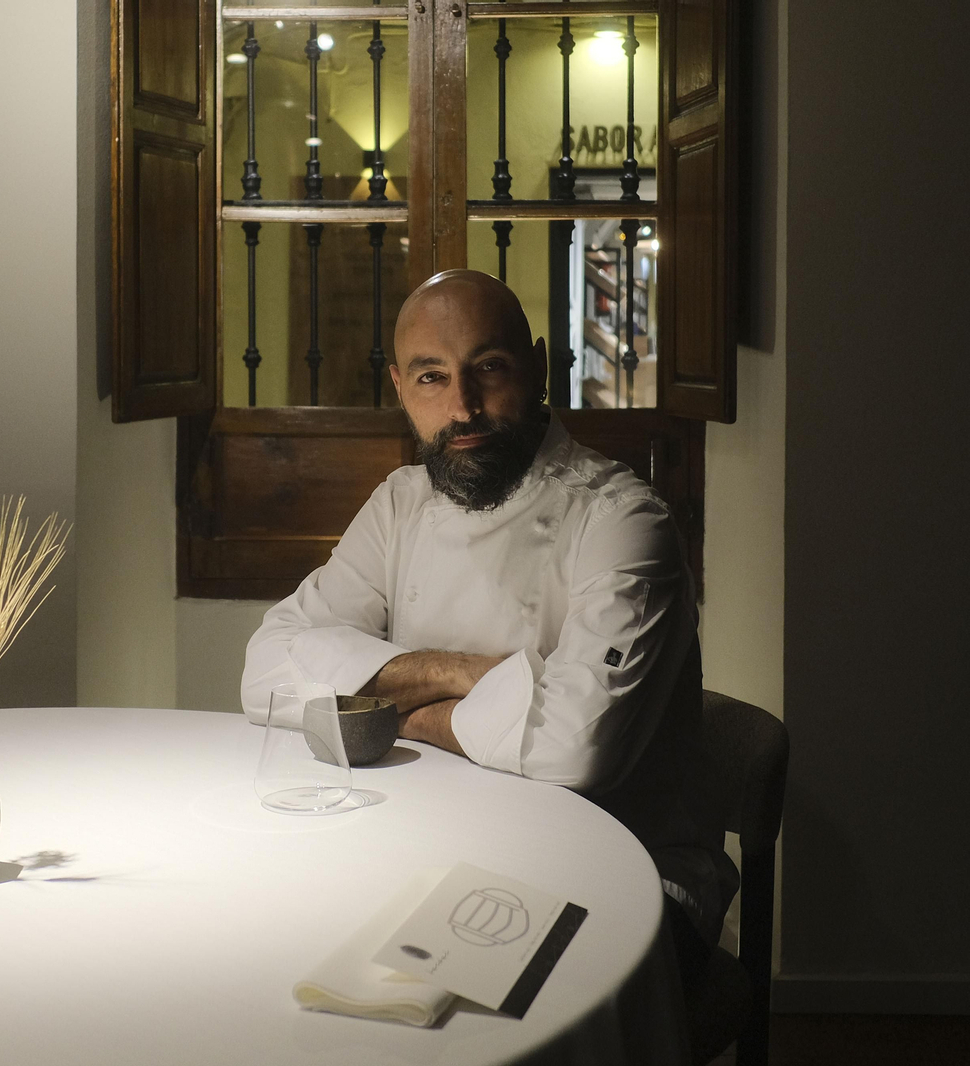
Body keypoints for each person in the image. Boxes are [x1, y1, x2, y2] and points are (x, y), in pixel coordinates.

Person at [241, 270, 737, 980]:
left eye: (488, 370)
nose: (463, 407)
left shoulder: (623, 519)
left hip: (626, 870)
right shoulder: (400, 505)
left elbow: (574, 753)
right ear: (398, 386)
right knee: (285, 951)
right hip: (445, 847)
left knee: (443, 1005)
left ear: (536, 366)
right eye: (432, 378)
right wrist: (463, 678)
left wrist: (380, 707)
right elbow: (265, 674)